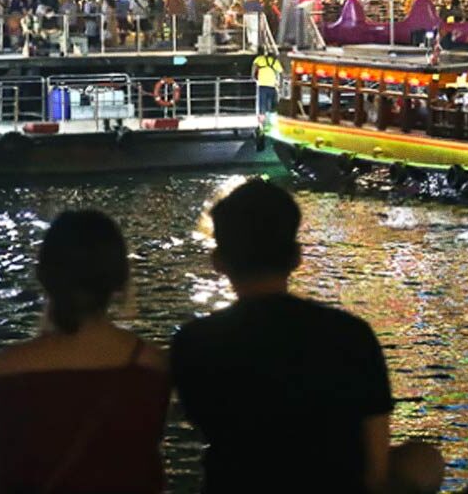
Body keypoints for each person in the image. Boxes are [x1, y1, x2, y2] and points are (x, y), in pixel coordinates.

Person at [171, 180, 443, 494]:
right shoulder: (350, 335)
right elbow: (376, 465)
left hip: (234, 484)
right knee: (424, 460)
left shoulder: (194, 342)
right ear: (296, 257)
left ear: (218, 261)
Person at [0, 211, 169, 493]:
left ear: (45, 276)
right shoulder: (150, 364)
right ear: (118, 278)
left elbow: (0, 475)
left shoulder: (6, 369)